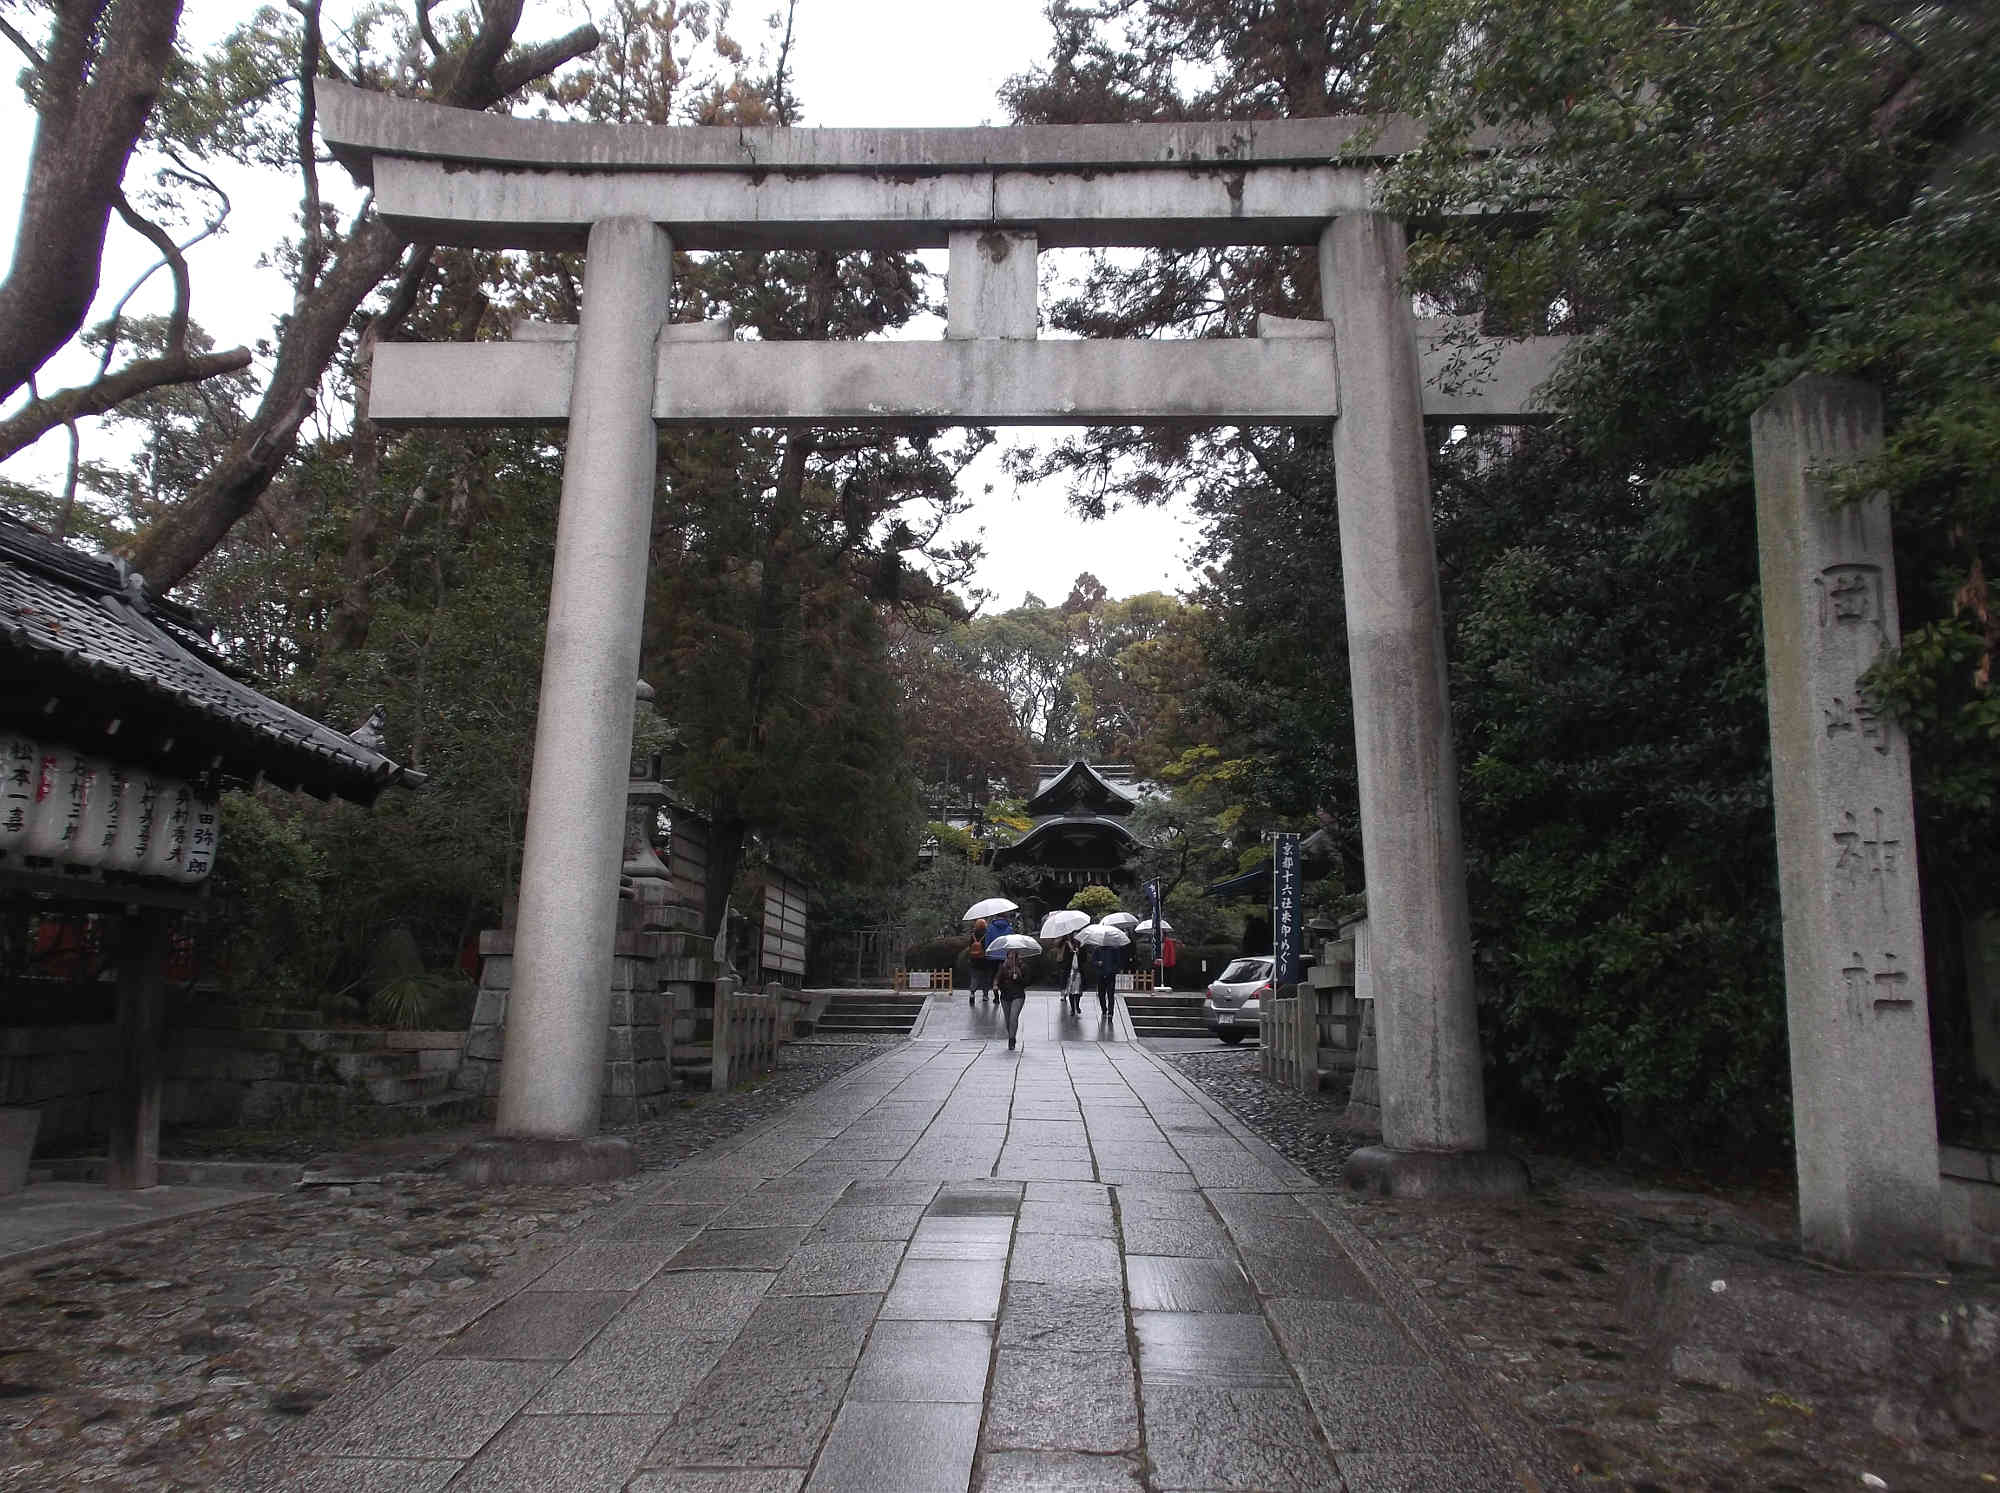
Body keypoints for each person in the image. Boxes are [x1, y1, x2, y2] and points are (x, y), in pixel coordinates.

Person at [996, 948, 1028, 1049]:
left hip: (1018, 995)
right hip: (1005, 995)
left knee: (1013, 1017)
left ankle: (1011, 1039)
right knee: (1008, 1020)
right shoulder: (1003, 967)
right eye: (1009, 957)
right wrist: (997, 985)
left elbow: (1027, 982)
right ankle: (1011, 1035)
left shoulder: (1023, 967)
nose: (1011, 959)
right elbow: (997, 979)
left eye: (1013, 957)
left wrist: (1018, 977)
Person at [1092, 936, 1125, 1019]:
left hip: (1110, 975)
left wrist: (1113, 970)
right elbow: (1093, 961)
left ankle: (1111, 1011)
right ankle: (1104, 1009)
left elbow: (1118, 962)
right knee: (1101, 994)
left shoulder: (1114, 950)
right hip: (1100, 974)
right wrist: (1097, 963)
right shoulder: (1097, 950)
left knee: (1110, 994)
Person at [982, 909, 1013, 999]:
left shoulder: (990, 928)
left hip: (992, 955)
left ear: (996, 917)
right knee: (1004, 974)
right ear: (1005, 917)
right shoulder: (1009, 928)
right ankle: (1002, 992)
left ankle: (990, 991)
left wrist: (987, 952)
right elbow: (1011, 942)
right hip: (1005, 955)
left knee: (991, 974)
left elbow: (987, 942)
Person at [967, 918, 990, 1004]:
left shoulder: (973, 936)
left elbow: (970, 947)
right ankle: (985, 995)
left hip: (974, 961)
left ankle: (972, 993)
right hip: (985, 961)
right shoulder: (987, 935)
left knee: (974, 978)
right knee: (985, 979)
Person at [1063, 936, 1085, 1015]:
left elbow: (1084, 959)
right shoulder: (1068, 946)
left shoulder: (1082, 947)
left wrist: (1079, 953)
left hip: (1079, 972)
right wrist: (1071, 951)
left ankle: (1077, 1005)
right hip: (1070, 972)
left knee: (1078, 991)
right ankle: (1072, 1008)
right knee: (1070, 991)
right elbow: (1065, 959)